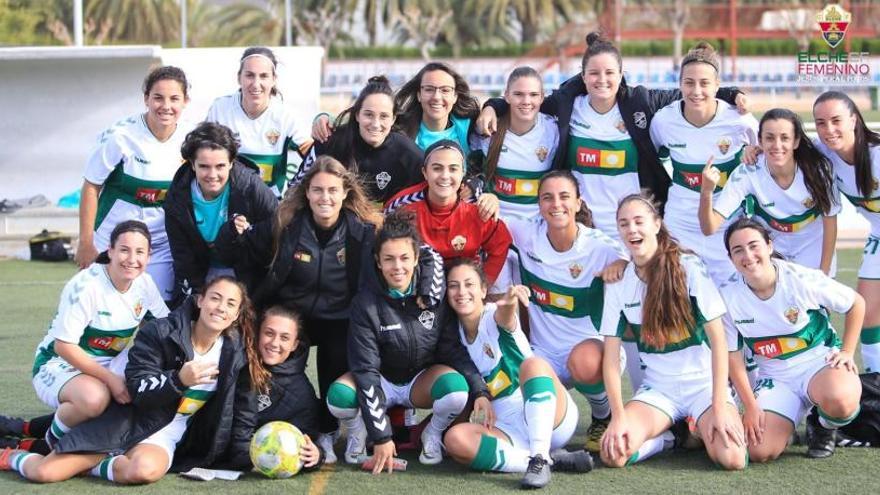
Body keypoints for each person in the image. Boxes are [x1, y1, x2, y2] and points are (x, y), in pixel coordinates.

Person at [0, 276, 264, 484]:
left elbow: (241, 409)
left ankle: (91, 464)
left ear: (238, 314)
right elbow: (138, 389)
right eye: (215, 298)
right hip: (128, 420)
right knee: (45, 473)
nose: (221, 307)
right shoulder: (161, 332)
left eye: (230, 304)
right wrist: (178, 380)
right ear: (200, 301)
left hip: (165, 432)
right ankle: (10, 456)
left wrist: (243, 457)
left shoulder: (235, 353)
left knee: (144, 472)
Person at [478, 32, 747, 236]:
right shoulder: (568, 104)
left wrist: (731, 93)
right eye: (594, 73)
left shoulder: (640, 102)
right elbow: (527, 102)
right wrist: (493, 106)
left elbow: (689, 93)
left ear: (621, 75)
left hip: (630, 224)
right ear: (582, 76)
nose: (602, 80)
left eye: (609, 73)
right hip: (582, 224)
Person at [1, 305, 325, 470]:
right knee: (99, 416)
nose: (274, 343)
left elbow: (311, 432)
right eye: (269, 333)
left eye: (284, 338)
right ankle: (22, 428)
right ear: (256, 332)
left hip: (180, 433)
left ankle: (27, 446)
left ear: (297, 345)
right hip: (157, 411)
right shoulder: (233, 353)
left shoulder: (298, 392)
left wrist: (317, 454)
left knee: (90, 444)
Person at [214, 155, 385, 463]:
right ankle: (260, 421)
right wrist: (234, 233)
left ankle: (330, 432)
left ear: (345, 192)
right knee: (281, 370)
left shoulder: (363, 230)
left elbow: (400, 252)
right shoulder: (286, 223)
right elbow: (241, 251)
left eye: (333, 190)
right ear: (307, 192)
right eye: (318, 190)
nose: (325, 197)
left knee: (335, 363)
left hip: (339, 316)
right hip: (292, 313)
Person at [325, 211, 490, 473]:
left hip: (418, 380)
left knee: (456, 390)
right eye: (389, 259)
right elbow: (366, 372)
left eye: (404, 258)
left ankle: (432, 434)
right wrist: (381, 436)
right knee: (338, 396)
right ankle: (358, 433)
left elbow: (452, 349)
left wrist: (479, 390)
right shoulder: (365, 303)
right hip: (381, 378)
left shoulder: (433, 297)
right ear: (378, 262)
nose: (397, 267)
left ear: (416, 259)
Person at [599, 194, 746, 470]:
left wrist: (718, 405)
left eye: (639, 221)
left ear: (656, 224)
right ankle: (669, 438)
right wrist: (617, 416)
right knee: (613, 454)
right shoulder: (619, 283)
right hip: (659, 390)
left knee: (732, 458)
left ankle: (701, 428)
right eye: (624, 224)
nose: (632, 229)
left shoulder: (688, 267)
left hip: (704, 386)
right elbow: (610, 358)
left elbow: (718, 339)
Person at [494, 170, 628, 453]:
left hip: (592, 353)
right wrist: (487, 199)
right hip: (542, 353)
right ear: (539, 205)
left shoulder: (601, 247)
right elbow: (488, 223)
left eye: (564, 197)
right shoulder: (525, 233)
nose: (556, 204)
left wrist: (624, 264)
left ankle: (602, 416)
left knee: (585, 361)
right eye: (548, 198)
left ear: (579, 203)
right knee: (517, 398)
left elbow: (644, 258)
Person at [721, 218, 864, 461]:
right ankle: (788, 419)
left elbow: (856, 304)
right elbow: (733, 358)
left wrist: (848, 352)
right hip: (776, 377)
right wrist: (751, 406)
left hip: (818, 364)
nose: (748, 255)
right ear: (731, 258)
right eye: (738, 250)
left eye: (754, 245)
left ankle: (822, 426)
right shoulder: (728, 297)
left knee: (841, 399)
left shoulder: (800, 279)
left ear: (769, 245)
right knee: (759, 451)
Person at [442, 259, 593, 489]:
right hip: (507, 430)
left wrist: (510, 301)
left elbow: (505, 316)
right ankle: (540, 460)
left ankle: (541, 457)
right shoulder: (453, 337)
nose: (461, 292)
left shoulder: (493, 313)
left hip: (551, 419)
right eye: (453, 285)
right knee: (455, 439)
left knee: (533, 365)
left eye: (469, 284)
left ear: (483, 289)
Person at [30, 220, 168, 451]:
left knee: (146, 383)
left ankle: (28, 428)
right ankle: (46, 445)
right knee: (94, 399)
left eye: (140, 252)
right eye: (124, 250)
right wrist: (111, 380)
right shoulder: (87, 286)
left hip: (107, 365)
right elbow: (63, 346)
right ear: (110, 251)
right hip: (58, 363)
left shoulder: (144, 283)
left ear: (149, 256)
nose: (132, 259)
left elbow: (165, 328)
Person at [75, 66, 195, 302]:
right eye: (158, 98)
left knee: (155, 313)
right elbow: (91, 186)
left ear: (185, 102)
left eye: (174, 99)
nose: (166, 106)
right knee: (95, 309)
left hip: (160, 244)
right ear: (146, 99)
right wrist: (86, 242)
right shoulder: (120, 136)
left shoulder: (192, 139)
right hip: (111, 240)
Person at [649, 41, 758, 285]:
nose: (696, 90)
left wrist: (751, 154)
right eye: (689, 83)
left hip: (726, 224)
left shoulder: (740, 120)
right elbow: (654, 158)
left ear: (718, 85)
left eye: (704, 83)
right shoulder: (663, 121)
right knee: (680, 295)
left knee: (729, 301)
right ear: (679, 85)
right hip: (680, 224)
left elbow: (763, 154)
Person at [698, 109, 838, 274]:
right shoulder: (747, 172)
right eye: (769, 138)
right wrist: (706, 192)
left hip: (812, 247)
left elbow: (830, 222)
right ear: (760, 141)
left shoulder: (819, 169)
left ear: (796, 141)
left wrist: (824, 272)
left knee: (815, 298)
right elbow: (709, 228)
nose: (777, 145)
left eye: (784, 138)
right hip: (772, 250)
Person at [164, 121, 278, 307]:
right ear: (192, 164)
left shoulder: (250, 186)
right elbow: (183, 257)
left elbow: (276, 226)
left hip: (246, 271)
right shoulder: (177, 198)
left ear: (232, 163)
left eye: (220, 166)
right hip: (204, 271)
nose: (212, 174)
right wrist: (195, 302)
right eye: (204, 166)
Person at [812, 91, 880, 374]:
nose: (829, 130)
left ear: (854, 119)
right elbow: (783, 141)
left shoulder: (876, 155)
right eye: (821, 122)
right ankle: (875, 384)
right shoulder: (824, 152)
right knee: (867, 315)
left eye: (836, 120)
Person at [384, 139, 512, 286]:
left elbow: (501, 244)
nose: (445, 176)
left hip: (463, 293)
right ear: (425, 172)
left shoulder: (479, 206)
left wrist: (483, 286)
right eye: (437, 168)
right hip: (419, 289)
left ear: (463, 172)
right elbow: (383, 244)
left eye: (453, 169)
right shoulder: (402, 206)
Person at [290, 76, 424, 204]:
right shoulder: (330, 141)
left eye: (384, 116)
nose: (375, 124)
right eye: (368, 114)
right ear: (357, 115)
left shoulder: (409, 153)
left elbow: (430, 194)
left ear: (393, 119)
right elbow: (295, 190)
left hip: (386, 225)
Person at [206, 46, 312, 198]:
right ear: (239, 77)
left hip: (269, 203)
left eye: (263, 76)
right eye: (249, 75)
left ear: (274, 80)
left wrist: (295, 189)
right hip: (227, 201)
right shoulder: (220, 108)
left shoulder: (286, 115)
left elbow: (313, 156)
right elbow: (202, 155)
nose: (256, 84)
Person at [472, 67, 558, 221]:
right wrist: (490, 107)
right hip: (497, 225)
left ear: (542, 98)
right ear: (506, 96)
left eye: (533, 95)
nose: (526, 101)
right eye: (518, 94)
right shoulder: (488, 129)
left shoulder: (554, 130)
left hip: (539, 227)